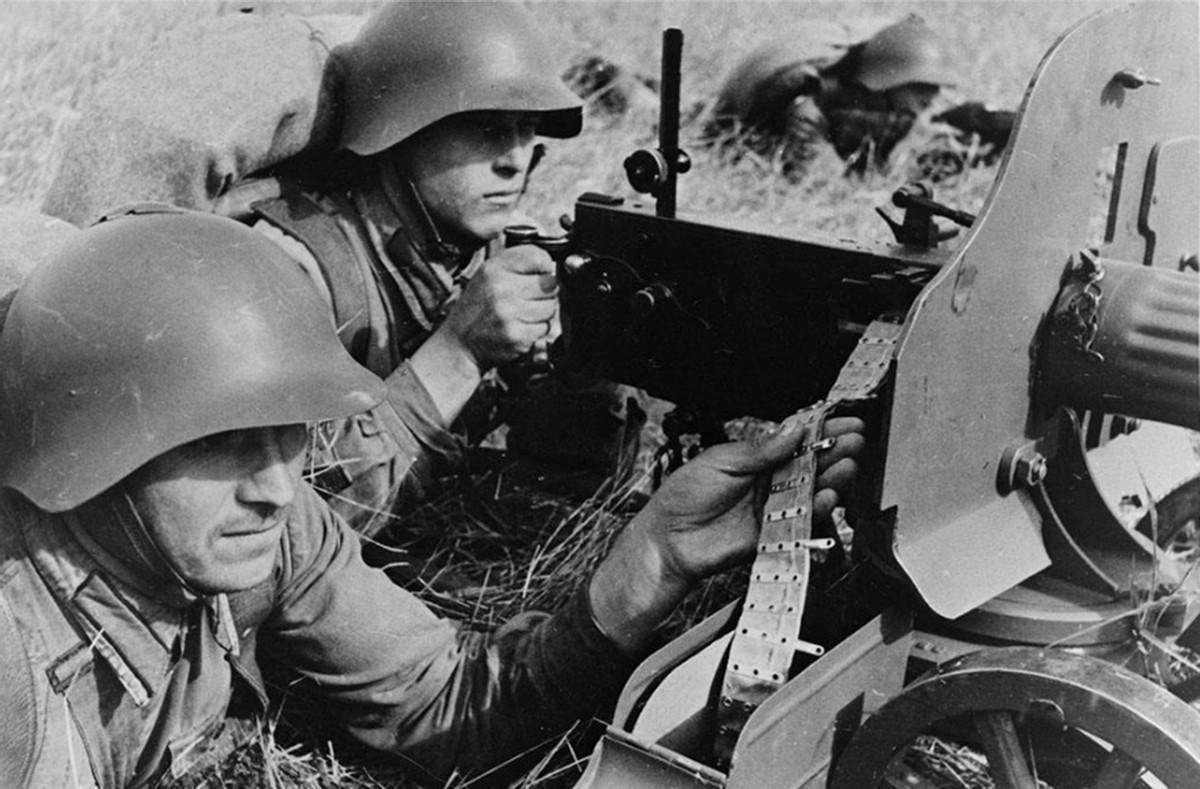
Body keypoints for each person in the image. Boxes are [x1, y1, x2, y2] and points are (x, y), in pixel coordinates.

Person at [0, 207, 863, 787]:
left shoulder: (273, 530)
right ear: (92, 449)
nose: (276, 487)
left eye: (288, 432)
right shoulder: (16, 661)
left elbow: (446, 703)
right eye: (220, 443)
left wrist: (657, 553)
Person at [240, 1, 646, 540]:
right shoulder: (291, 271)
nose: (516, 160)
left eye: (527, 130)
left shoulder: (490, 248)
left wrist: (582, 371)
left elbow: (564, 496)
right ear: (400, 132)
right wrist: (459, 354)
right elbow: (279, 528)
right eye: (486, 129)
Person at [705, 15, 959, 177]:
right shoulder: (820, 94)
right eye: (922, 87)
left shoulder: (895, 100)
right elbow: (817, 173)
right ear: (890, 80)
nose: (933, 96)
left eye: (935, 86)